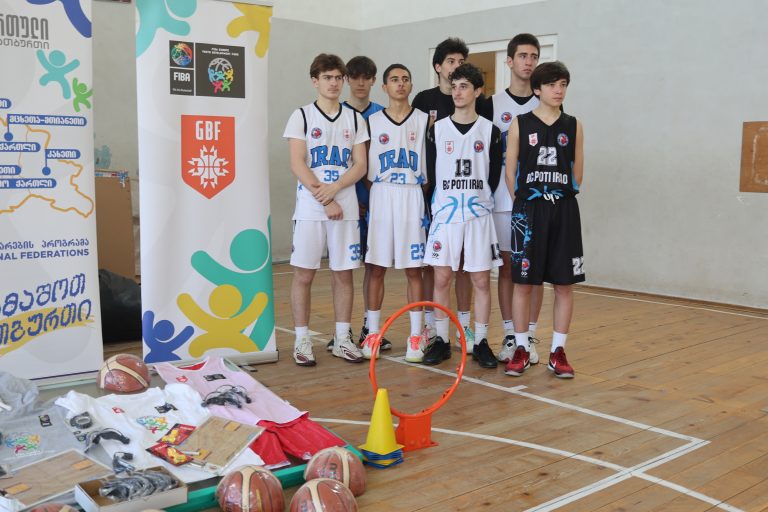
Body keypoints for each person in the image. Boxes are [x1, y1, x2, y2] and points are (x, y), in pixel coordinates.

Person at [283, 53, 369, 366]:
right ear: (315, 81)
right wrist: (326, 197)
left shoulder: (355, 119)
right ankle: (302, 340)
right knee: (304, 274)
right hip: (311, 207)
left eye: (338, 78)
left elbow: (360, 164)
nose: (333, 83)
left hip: (345, 206)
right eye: (327, 78)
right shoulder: (302, 116)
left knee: (343, 274)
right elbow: (297, 163)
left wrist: (336, 190)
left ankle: (342, 338)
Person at [503, 61, 584, 378]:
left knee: (564, 284)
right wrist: (523, 203)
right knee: (524, 282)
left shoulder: (574, 125)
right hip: (529, 210)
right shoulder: (520, 124)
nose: (558, 90)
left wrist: (558, 195)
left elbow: (577, 173)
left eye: (563, 84)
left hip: (563, 209)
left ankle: (558, 351)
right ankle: (521, 347)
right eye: (552, 84)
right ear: (537, 89)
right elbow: (510, 172)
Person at [422, 63, 503, 368]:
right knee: (442, 277)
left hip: (478, 214)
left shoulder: (491, 131)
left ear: (478, 91)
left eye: (464, 86)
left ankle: (480, 342)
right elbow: (432, 174)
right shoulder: (437, 130)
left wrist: (476, 198)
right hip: (446, 215)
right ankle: (442, 340)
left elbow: (493, 177)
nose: (457, 92)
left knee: (480, 279)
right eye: (454, 86)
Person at [359, 63, 429, 362]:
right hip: (383, 193)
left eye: (405, 79)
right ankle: (373, 332)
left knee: (414, 269)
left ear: (411, 85)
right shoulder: (371, 122)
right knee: (376, 267)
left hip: (412, 194)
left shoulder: (424, 120)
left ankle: (416, 335)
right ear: (384, 87)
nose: (400, 84)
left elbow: (430, 168)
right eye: (394, 79)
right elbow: (363, 167)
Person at [486, 33, 547, 365]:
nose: (528, 62)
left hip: (536, 200)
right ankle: (511, 334)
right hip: (501, 199)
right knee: (507, 268)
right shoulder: (492, 105)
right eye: (523, 56)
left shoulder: (547, 104)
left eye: (534, 56)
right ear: (509, 61)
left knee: (533, 269)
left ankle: (530, 334)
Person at [412, 37, 475, 352]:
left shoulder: (474, 101)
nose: (456, 66)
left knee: (463, 265)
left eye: (461, 61)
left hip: (465, 198)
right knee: (432, 265)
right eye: (451, 61)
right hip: (431, 195)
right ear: (438, 66)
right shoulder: (424, 100)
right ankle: (431, 327)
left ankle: (464, 327)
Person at [324, 56, 390, 353]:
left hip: (377, 203)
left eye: (367, 77)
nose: (361, 82)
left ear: (374, 80)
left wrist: (374, 199)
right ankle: (343, 331)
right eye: (355, 77)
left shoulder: (382, 115)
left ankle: (369, 327)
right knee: (343, 269)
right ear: (347, 79)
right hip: (345, 203)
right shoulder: (337, 113)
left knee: (375, 267)